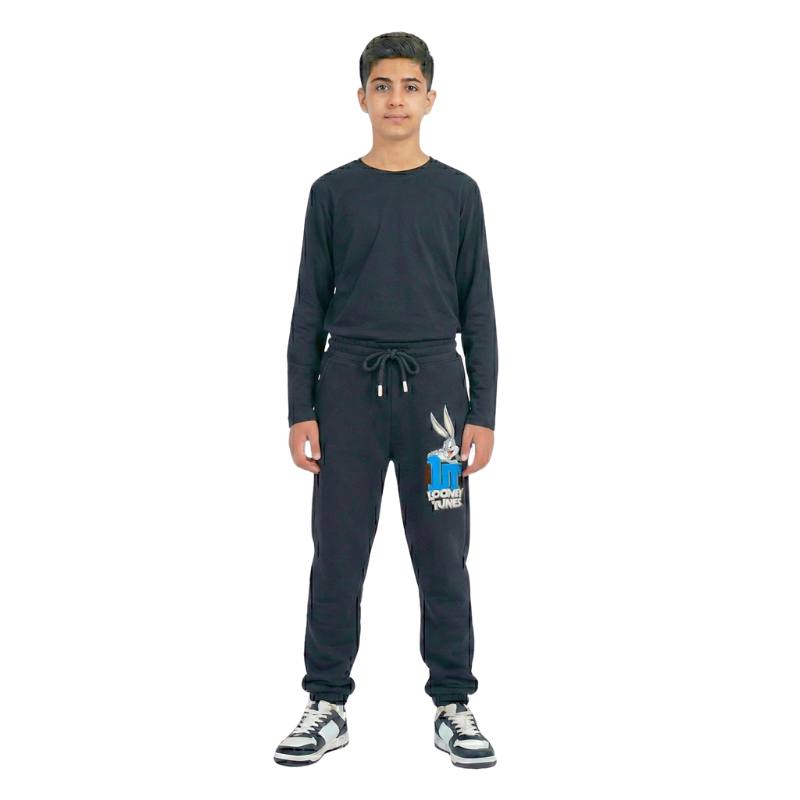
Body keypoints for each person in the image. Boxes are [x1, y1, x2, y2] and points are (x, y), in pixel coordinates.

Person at [274, 32, 499, 769]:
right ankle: (326, 702)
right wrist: (300, 408)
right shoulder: (332, 193)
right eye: (382, 86)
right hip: (347, 392)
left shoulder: (458, 194)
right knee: (338, 553)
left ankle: (453, 702)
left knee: (443, 552)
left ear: (430, 98)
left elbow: (479, 311)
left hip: (437, 398)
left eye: (409, 86)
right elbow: (308, 307)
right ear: (362, 98)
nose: (395, 99)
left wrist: (483, 412)